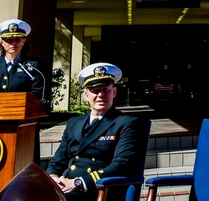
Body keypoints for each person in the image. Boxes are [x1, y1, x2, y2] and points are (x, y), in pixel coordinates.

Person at [47, 62, 142, 199]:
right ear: (86, 95)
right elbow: (57, 161)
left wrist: (79, 182)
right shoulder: (74, 123)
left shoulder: (126, 123)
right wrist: (54, 178)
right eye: (95, 91)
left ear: (114, 92)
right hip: (66, 186)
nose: (100, 95)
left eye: (105, 90)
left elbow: (121, 165)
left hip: (98, 190)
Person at [0, 19, 47, 102]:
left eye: (17, 39)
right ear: (2, 42)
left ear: (23, 41)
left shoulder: (33, 65)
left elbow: (37, 94)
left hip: (19, 112)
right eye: (9, 40)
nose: (13, 43)